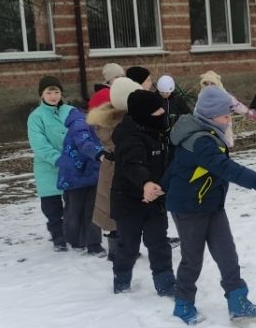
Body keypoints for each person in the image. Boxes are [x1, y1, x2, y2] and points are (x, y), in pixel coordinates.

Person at [165, 86, 256, 325]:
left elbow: (177, 167)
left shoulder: (207, 133)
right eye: (225, 116)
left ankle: (238, 301)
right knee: (192, 259)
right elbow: (225, 168)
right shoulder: (201, 140)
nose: (229, 120)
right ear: (210, 116)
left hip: (212, 204)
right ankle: (183, 304)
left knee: (227, 254)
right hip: (189, 208)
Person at [111, 90, 176, 296]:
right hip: (129, 201)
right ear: (143, 114)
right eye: (156, 111)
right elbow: (133, 164)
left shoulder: (158, 131)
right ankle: (122, 280)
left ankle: (166, 283)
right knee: (128, 246)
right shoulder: (129, 137)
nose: (162, 113)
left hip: (155, 199)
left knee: (159, 242)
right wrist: (146, 182)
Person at [87, 76, 144, 263]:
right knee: (116, 210)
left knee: (118, 210)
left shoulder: (112, 118)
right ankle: (118, 251)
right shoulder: (119, 122)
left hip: (114, 167)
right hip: (117, 168)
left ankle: (123, 249)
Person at [27, 76, 77, 252]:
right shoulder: (36, 117)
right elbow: (39, 144)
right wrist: (59, 159)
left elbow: (81, 133)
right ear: (41, 95)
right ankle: (58, 236)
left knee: (73, 204)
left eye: (56, 92)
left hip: (73, 166)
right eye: (49, 92)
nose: (53, 96)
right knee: (52, 206)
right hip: (48, 168)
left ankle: (73, 233)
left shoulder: (71, 111)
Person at [56, 105, 107, 257]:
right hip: (75, 175)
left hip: (92, 173)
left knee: (92, 209)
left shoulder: (95, 123)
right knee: (74, 210)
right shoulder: (80, 123)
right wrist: (99, 154)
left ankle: (93, 243)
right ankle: (75, 240)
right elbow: (84, 142)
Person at [200, 70, 253, 149]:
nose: (209, 86)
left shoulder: (224, 95)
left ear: (217, 84)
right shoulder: (202, 96)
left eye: (212, 83)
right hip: (208, 126)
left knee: (225, 144)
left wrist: (247, 112)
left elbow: (236, 105)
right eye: (206, 84)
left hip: (223, 125)